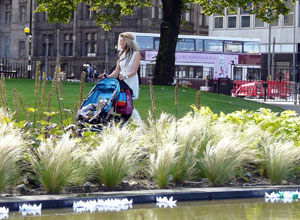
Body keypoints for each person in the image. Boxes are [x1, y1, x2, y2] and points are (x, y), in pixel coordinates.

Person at [100, 32, 141, 121]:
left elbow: (134, 71)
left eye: (122, 41)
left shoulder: (136, 54)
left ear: (127, 42)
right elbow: (116, 71)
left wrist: (125, 77)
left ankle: (135, 123)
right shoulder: (121, 54)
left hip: (130, 82)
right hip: (121, 83)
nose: (120, 43)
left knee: (128, 103)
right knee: (122, 103)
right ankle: (125, 123)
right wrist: (107, 76)